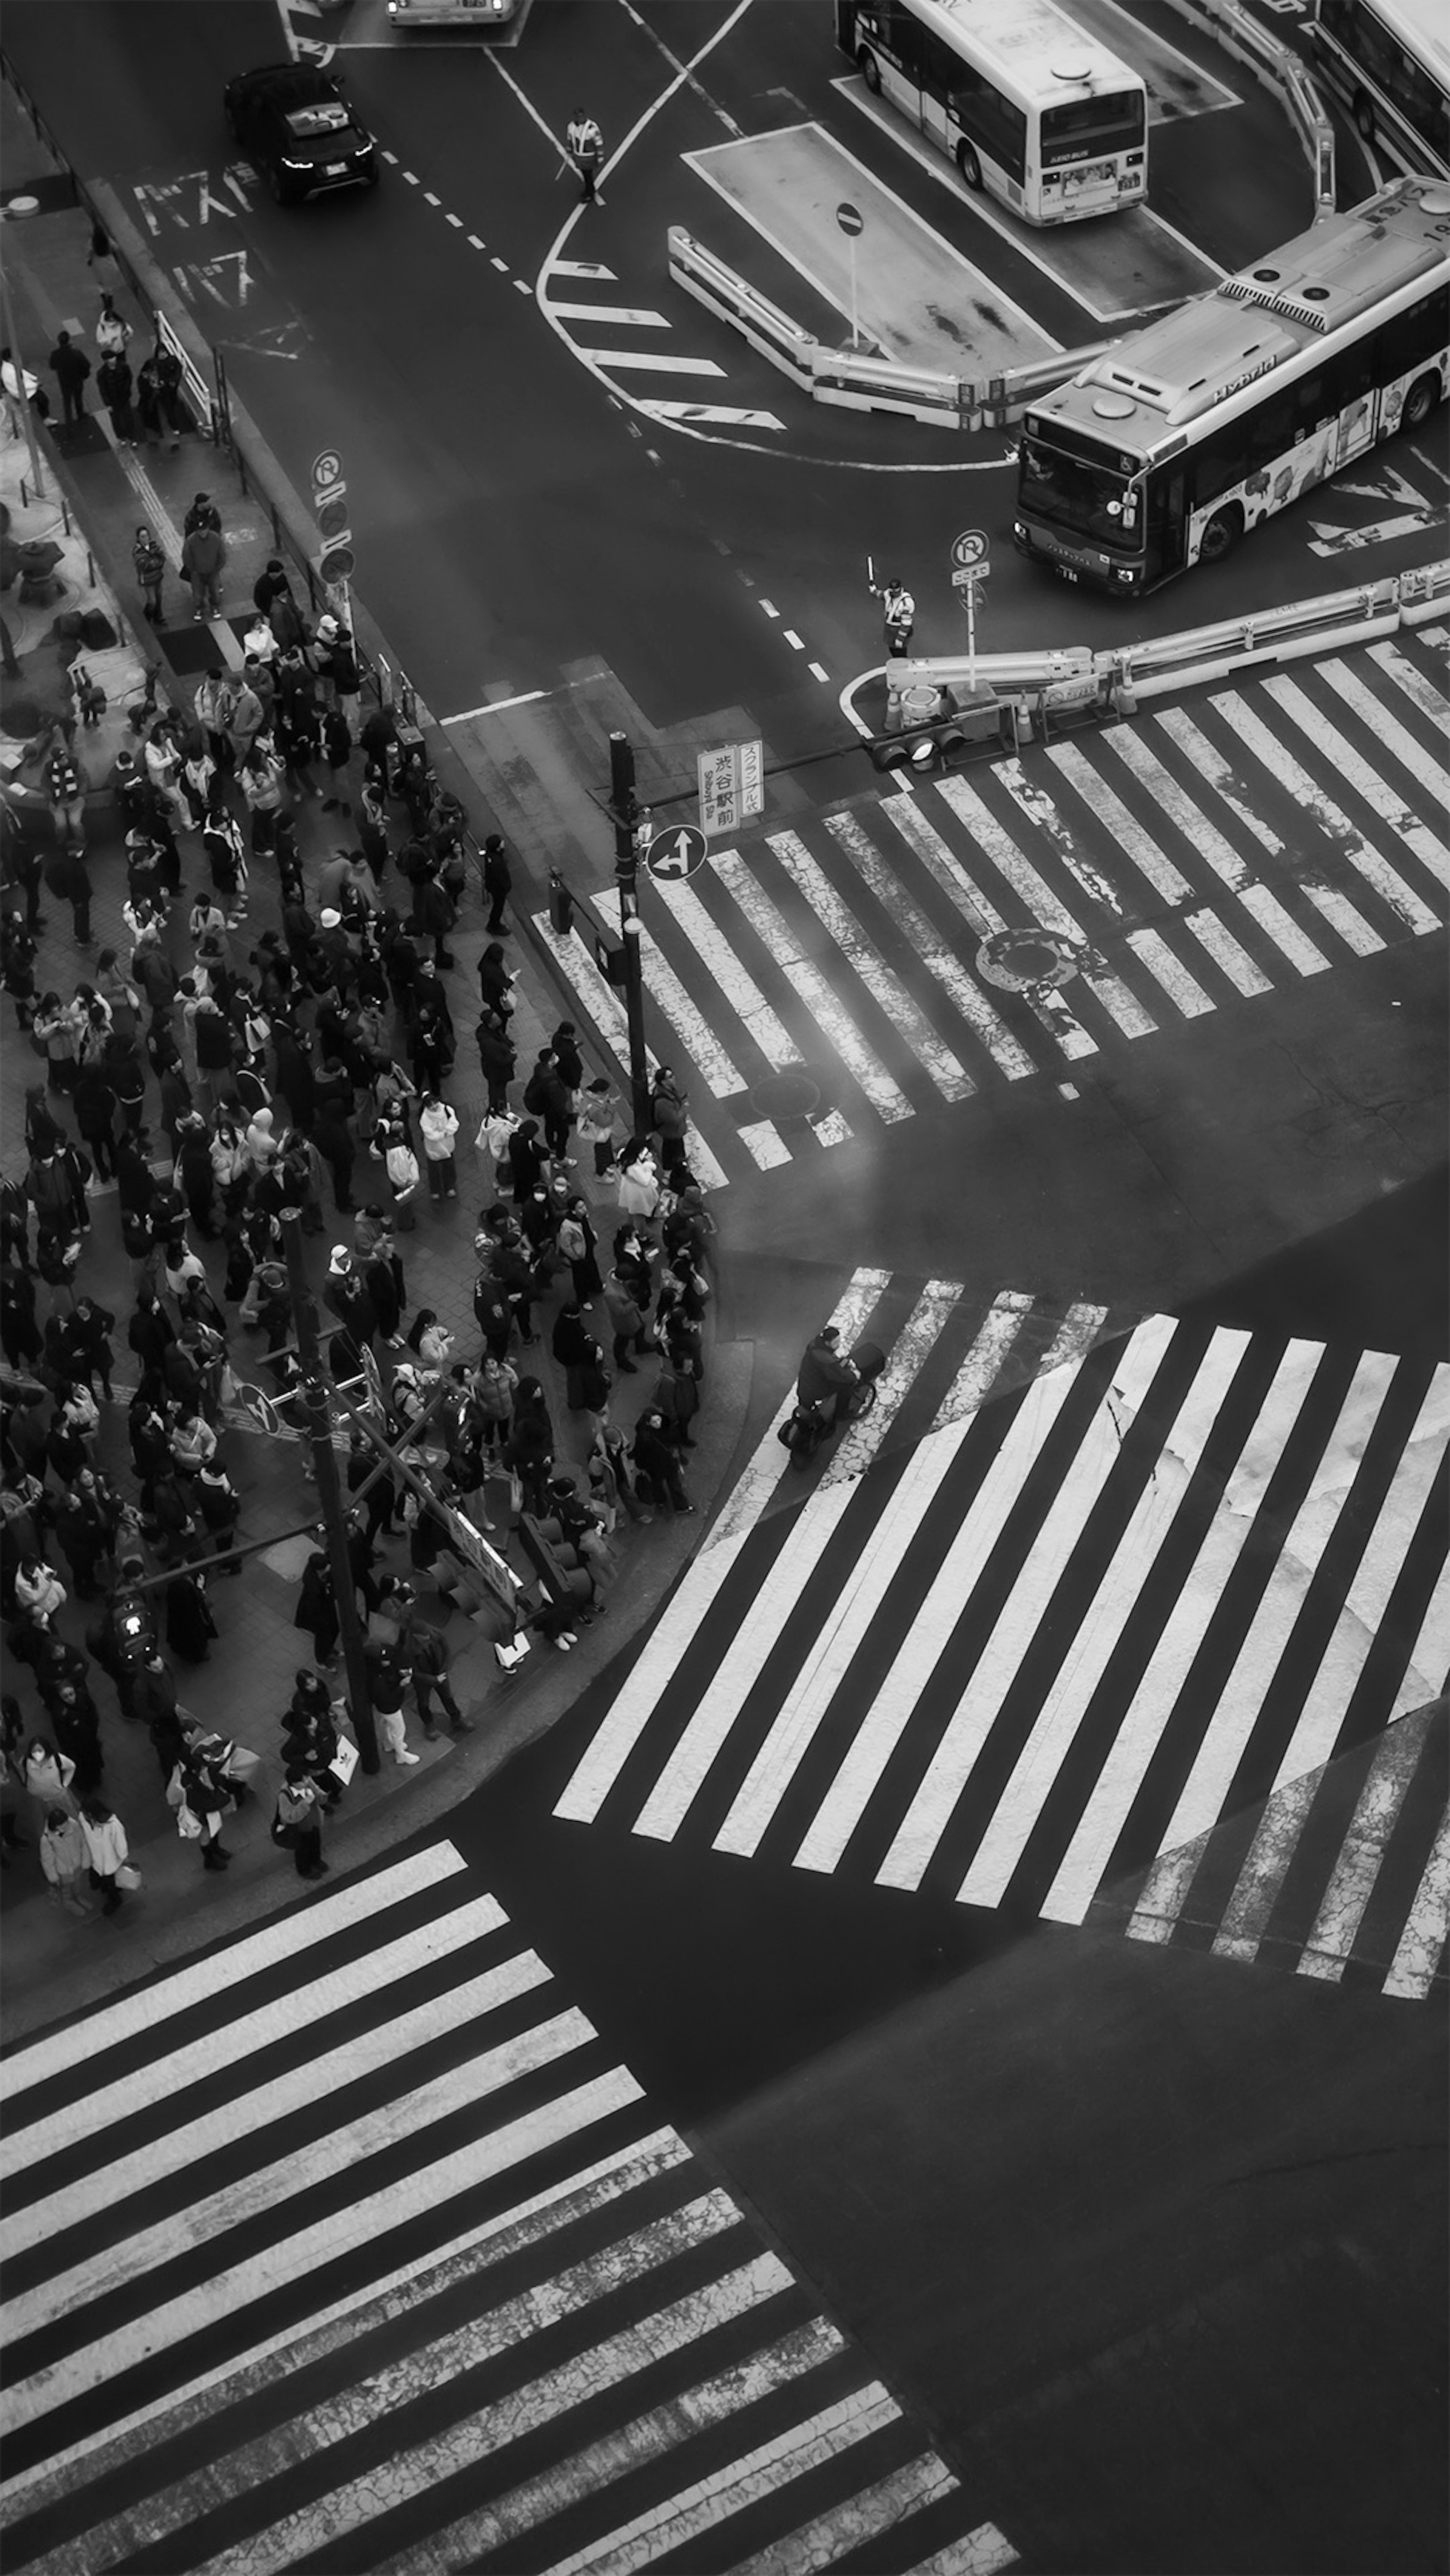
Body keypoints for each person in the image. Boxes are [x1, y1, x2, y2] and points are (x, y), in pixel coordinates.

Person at [409, 1622, 473, 1740]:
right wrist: (433, 1680)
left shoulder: (434, 1634)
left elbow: (446, 1648)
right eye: (425, 1640)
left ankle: (456, 1718)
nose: (429, 1641)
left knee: (447, 1696)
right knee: (423, 1703)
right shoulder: (408, 1649)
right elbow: (413, 1672)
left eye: (429, 1638)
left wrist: (445, 1668)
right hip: (424, 1680)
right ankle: (429, 1725)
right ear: (416, 1636)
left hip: (440, 1671)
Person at [796, 1322, 859, 1430]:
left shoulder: (815, 1346)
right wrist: (854, 1376)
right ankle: (842, 1413)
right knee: (845, 1386)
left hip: (805, 1385)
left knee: (806, 1408)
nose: (839, 1344)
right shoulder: (826, 1360)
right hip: (817, 1390)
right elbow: (841, 1375)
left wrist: (838, 1362)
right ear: (827, 1343)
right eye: (836, 1342)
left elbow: (829, 1364)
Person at [78, 1794, 130, 1914]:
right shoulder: (93, 1823)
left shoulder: (113, 1825)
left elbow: (121, 1846)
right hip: (101, 1863)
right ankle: (115, 1892)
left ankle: (115, 1901)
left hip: (109, 1864)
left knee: (110, 1886)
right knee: (108, 1883)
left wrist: (124, 1857)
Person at [274, 1765, 328, 1878]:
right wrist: (305, 1803)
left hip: (314, 1822)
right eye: (302, 1781)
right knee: (302, 1851)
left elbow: (318, 1793)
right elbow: (289, 1817)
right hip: (300, 1830)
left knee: (316, 1843)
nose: (306, 1782)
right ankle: (305, 1871)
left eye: (306, 1779)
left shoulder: (307, 1783)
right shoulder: (285, 1796)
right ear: (294, 1784)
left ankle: (316, 1861)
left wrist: (321, 1797)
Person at [40, 1805, 93, 1915]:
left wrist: (86, 1861)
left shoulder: (74, 1826)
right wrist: (53, 1877)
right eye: (61, 1827)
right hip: (63, 1870)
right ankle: (68, 1902)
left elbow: (83, 1843)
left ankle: (79, 1896)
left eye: (66, 1825)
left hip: (78, 1864)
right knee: (66, 1888)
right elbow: (47, 1860)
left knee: (79, 1883)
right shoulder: (47, 1839)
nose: (65, 1828)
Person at [181, 511, 225, 622]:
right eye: (200, 531)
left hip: (213, 572)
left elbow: (222, 554)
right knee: (198, 593)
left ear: (208, 528)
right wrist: (193, 570)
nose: (203, 533)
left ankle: (215, 607)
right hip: (197, 573)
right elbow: (187, 556)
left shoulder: (216, 538)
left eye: (204, 529)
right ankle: (199, 609)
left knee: (215, 591)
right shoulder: (191, 541)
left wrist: (218, 568)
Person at [418, 1092, 459, 1201]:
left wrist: (444, 1133)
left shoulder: (447, 1110)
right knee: (434, 1169)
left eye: (435, 1103)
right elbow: (429, 1134)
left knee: (449, 1166)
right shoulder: (425, 1118)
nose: (434, 1107)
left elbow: (454, 1124)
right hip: (434, 1147)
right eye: (431, 1105)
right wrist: (443, 1134)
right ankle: (435, 1189)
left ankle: (450, 1186)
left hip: (447, 1144)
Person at [48, 329, 91, 429]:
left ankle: (69, 424)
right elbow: (86, 364)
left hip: (64, 382)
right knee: (78, 398)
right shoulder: (76, 353)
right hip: (77, 379)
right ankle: (81, 415)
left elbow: (52, 366)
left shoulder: (55, 354)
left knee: (67, 403)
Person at [566, 110, 604, 202]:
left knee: (588, 175)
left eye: (581, 116)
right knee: (586, 174)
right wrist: (569, 149)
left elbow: (599, 142)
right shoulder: (571, 127)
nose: (580, 118)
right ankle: (589, 190)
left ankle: (590, 193)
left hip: (589, 157)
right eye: (578, 117)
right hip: (579, 157)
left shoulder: (592, 128)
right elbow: (570, 139)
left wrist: (600, 156)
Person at [875, 575, 916, 656]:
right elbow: (882, 595)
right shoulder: (889, 594)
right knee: (893, 651)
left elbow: (906, 624)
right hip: (890, 631)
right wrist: (874, 591)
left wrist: (900, 639)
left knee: (901, 654)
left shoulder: (906, 602)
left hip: (899, 631)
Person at [481, 833, 512, 934]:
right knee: (498, 907)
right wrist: (507, 887)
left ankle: (494, 924)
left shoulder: (490, 856)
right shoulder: (497, 863)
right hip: (498, 889)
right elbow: (502, 879)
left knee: (498, 906)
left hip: (492, 885)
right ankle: (494, 926)